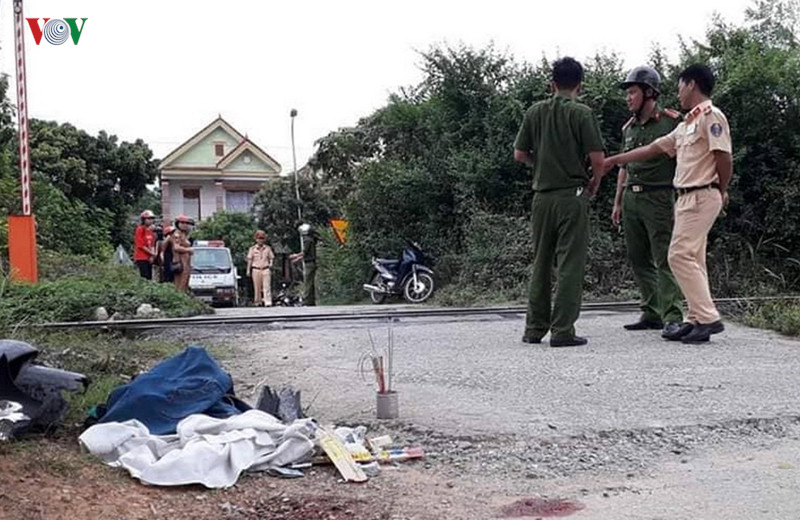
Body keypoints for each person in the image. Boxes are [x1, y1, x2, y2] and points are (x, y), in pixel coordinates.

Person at [604, 64, 733, 343]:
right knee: (694, 258)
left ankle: (708, 317)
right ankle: (696, 318)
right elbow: (653, 148)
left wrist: (720, 189)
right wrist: (615, 160)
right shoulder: (688, 124)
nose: (678, 93)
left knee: (677, 255)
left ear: (691, 84)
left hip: (701, 193)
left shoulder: (712, 116)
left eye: (680, 87)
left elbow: (724, 157)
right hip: (686, 195)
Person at [513, 57, 607, 347]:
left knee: (541, 261)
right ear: (579, 84)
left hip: (542, 198)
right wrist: (592, 184)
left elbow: (519, 154)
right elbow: (598, 160)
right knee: (570, 262)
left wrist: (540, 164)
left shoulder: (534, 112)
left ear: (551, 83)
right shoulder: (582, 113)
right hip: (571, 195)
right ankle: (563, 330)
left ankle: (534, 329)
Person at [613, 66, 684, 336]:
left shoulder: (672, 122)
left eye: (632, 92)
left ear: (649, 93)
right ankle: (651, 311)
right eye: (627, 93)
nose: (628, 98)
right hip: (632, 196)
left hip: (659, 197)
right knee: (638, 258)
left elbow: (685, 160)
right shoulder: (628, 128)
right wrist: (618, 202)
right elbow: (623, 166)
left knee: (665, 257)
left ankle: (673, 315)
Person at [289, 223, 318, 306]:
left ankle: (306, 300)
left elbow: (304, 252)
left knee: (307, 282)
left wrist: (295, 256)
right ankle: (311, 301)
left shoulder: (307, 240)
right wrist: (297, 258)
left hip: (309, 263)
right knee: (310, 282)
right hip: (311, 262)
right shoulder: (311, 239)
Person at [246, 230, 275, 307]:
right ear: (256, 239)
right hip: (256, 269)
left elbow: (271, 257)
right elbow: (250, 260)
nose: (260, 240)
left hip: (265, 268)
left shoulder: (268, 248)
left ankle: (267, 301)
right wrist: (248, 270)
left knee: (267, 286)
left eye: (262, 238)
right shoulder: (252, 249)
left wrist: (271, 263)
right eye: (259, 238)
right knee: (257, 287)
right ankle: (258, 301)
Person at [171, 215, 195, 292]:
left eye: (186, 223)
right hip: (180, 261)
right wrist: (188, 249)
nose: (185, 225)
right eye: (183, 223)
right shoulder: (177, 234)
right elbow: (176, 247)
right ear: (178, 223)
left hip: (186, 262)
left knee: (185, 282)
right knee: (180, 283)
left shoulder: (184, 234)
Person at [133, 210, 157, 280]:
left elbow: (152, 244)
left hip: (149, 257)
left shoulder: (150, 231)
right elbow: (140, 245)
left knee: (150, 276)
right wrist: (152, 253)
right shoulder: (140, 229)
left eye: (152, 219)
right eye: (148, 219)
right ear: (143, 220)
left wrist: (152, 256)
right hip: (141, 257)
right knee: (144, 276)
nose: (151, 220)